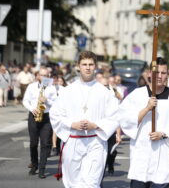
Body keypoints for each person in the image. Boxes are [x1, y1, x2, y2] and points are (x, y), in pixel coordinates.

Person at [118, 57, 169, 188]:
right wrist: (146, 109)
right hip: (142, 154)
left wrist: (163, 134)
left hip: (164, 155)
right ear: (150, 74)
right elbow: (125, 120)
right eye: (157, 72)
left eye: (164, 73)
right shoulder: (137, 94)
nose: (160, 76)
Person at [49, 51, 119, 188]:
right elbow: (55, 114)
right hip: (73, 141)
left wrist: (96, 125)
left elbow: (114, 115)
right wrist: (72, 124)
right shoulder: (68, 91)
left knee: (91, 183)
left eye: (91, 64)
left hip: (95, 141)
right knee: (73, 183)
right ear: (78, 66)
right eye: (84, 64)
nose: (88, 67)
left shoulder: (104, 92)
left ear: (95, 66)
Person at [23, 67, 57, 178]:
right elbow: (25, 101)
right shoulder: (31, 86)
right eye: (42, 75)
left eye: (46, 75)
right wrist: (32, 109)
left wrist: (47, 100)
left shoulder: (51, 88)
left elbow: (56, 103)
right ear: (38, 75)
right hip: (34, 115)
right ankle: (34, 164)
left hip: (46, 117)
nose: (44, 77)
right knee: (33, 143)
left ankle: (42, 169)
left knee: (45, 144)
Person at [51, 75, 67, 156]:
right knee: (55, 129)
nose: (59, 83)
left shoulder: (65, 90)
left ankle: (61, 146)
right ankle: (54, 146)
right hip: (55, 112)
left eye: (61, 81)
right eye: (58, 81)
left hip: (63, 112)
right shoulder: (53, 89)